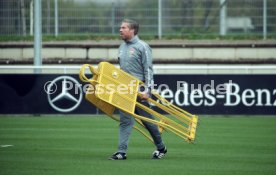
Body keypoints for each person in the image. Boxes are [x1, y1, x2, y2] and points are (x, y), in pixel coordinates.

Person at [108, 19, 167, 160]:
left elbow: (148, 70)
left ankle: (161, 147)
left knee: (147, 121)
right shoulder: (121, 47)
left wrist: (148, 90)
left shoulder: (143, 47)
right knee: (125, 120)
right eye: (120, 27)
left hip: (139, 90)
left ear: (132, 30)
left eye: (123, 28)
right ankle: (121, 152)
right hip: (124, 90)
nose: (120, 30)